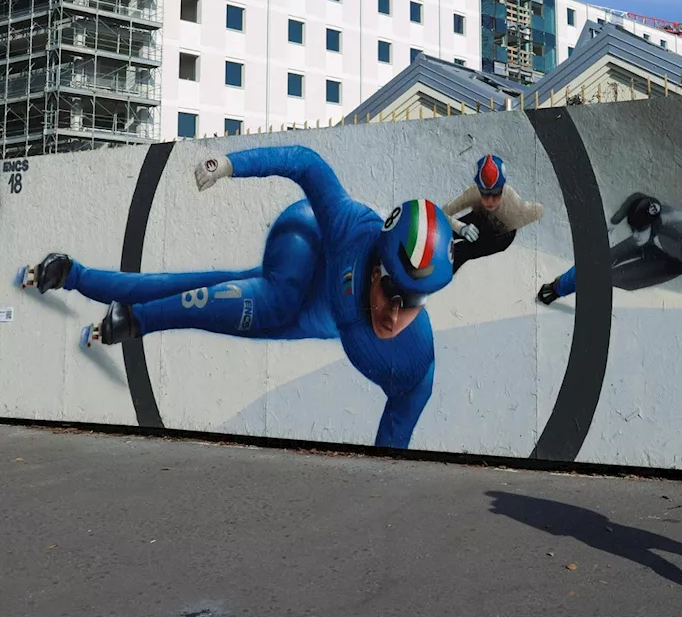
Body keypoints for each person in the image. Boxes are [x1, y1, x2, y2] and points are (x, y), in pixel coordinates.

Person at [16, 146, 456, 450]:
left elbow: (392, 443)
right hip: (303, 241)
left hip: (309, 314)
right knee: (269, 303)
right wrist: (227, 163)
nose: (394, 315)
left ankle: (72, 273)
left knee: (201, 290)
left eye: (413, 302)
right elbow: (305, 163)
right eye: (392, 292)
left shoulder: (414, 362)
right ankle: (136, 319)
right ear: (377, 262)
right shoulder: (351, 228)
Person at [536, 191, 682, 356]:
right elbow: (636, 197)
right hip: (656, 240)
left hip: (674, 259)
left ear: (652, 226)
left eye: (639, 230)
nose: (635, 235)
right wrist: (614, 221)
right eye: (633, 229)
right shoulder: (647, 215)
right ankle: (559, 286)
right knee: (602, 260)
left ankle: (586, 297)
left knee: (614, 277)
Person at [445, 154, 545, 274]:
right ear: (479, 189)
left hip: (500, 236)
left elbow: (538, 210)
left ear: (502, 189)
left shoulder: (514, 204)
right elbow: (443, 213)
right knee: (446, 232)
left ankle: (442, 274)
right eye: (485, 193)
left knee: (461, 251)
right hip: (481, 217)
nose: (490, 201)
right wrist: (460, 227)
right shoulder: (473, 193)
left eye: (496, 193)